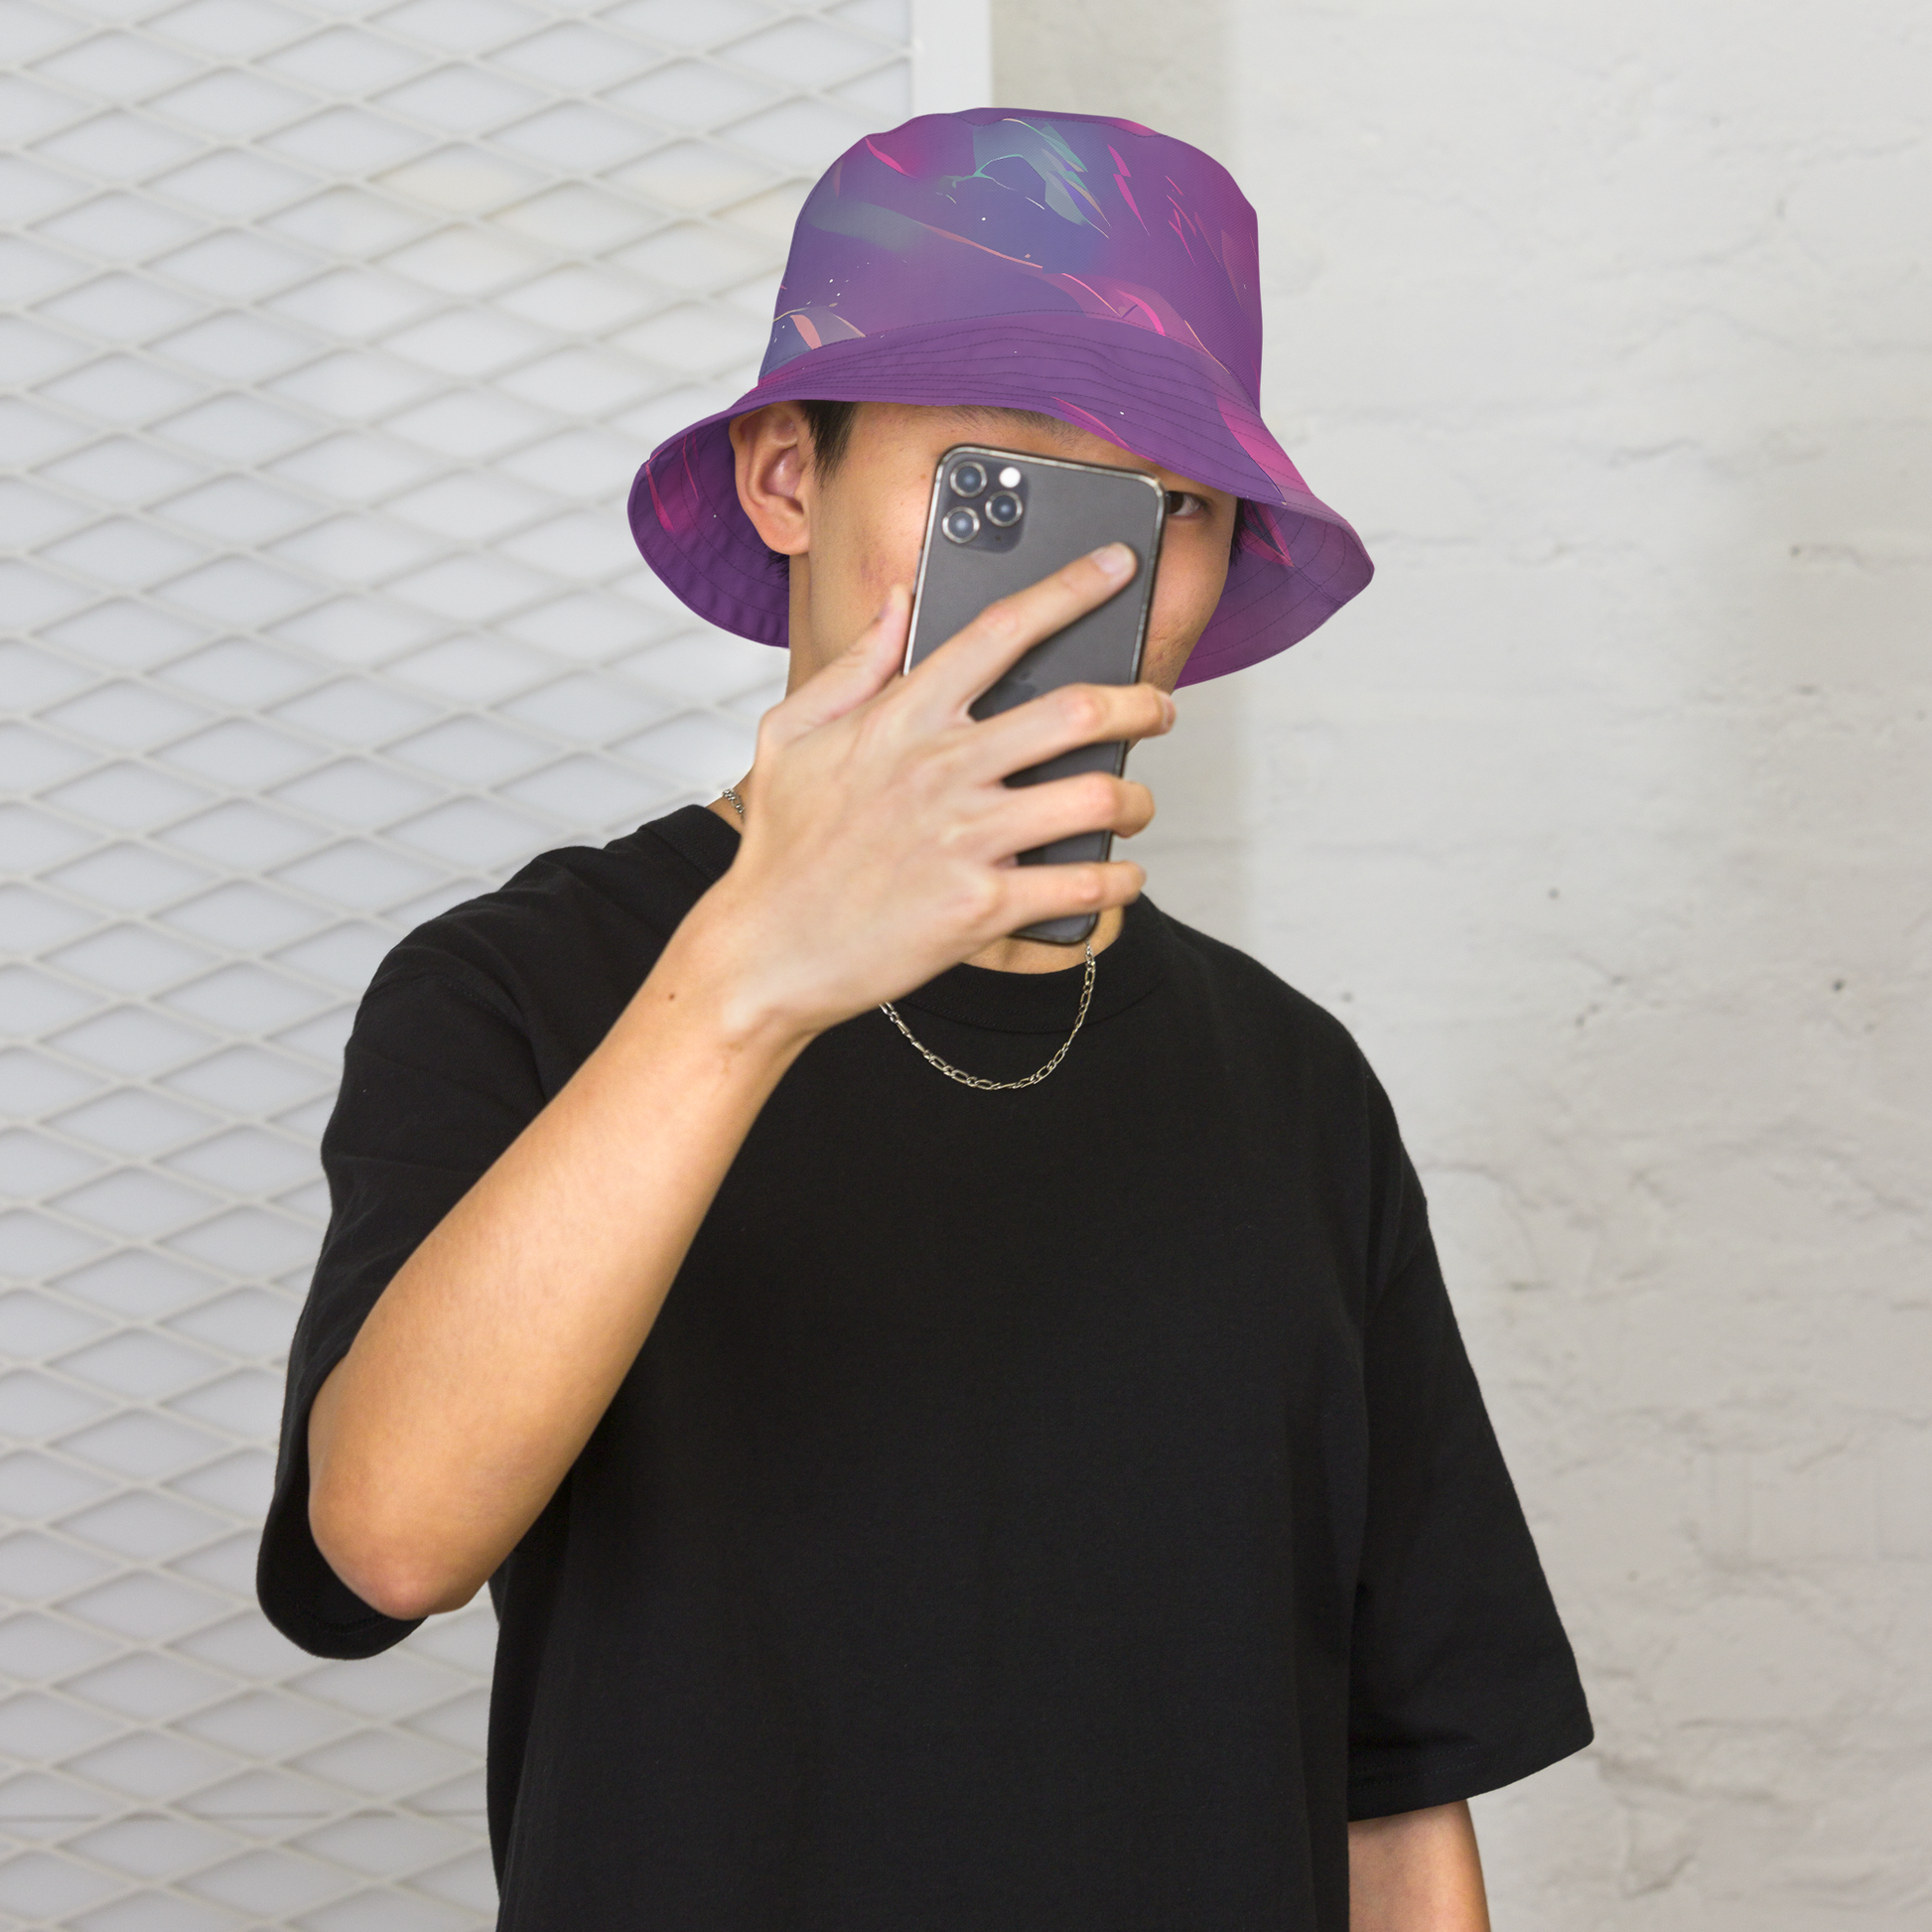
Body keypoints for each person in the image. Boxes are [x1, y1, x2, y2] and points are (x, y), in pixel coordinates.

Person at [259, 109, 1590, 1929]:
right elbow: (386, 1539)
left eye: (1173, 510)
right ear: (784, 480)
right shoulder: (527, 986)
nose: (1097, 577)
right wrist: (752, 974)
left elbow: (1395, 1790)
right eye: (1004, 486)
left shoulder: (1291, 1086)